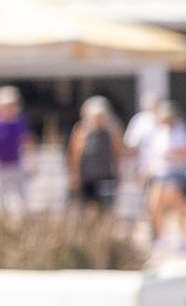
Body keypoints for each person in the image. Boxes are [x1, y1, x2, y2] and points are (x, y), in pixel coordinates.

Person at [130, 96, 186, 242]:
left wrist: (172, 153)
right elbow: (153, 156)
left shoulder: (181, 131)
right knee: (154, 206)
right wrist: (144, 172)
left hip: (175, 174)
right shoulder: (159, 133)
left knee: (177, 206)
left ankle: (182, 237)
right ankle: (162, 238)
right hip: (159, 174)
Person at [68, 96, 123, 212]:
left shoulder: (112, 131)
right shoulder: (81, 132)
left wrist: (119, 173)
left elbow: (117, 154)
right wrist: (74, 175)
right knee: (86, 209)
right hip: (87, 177)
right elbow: (74, 155)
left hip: (106, 176)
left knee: (107, 208)